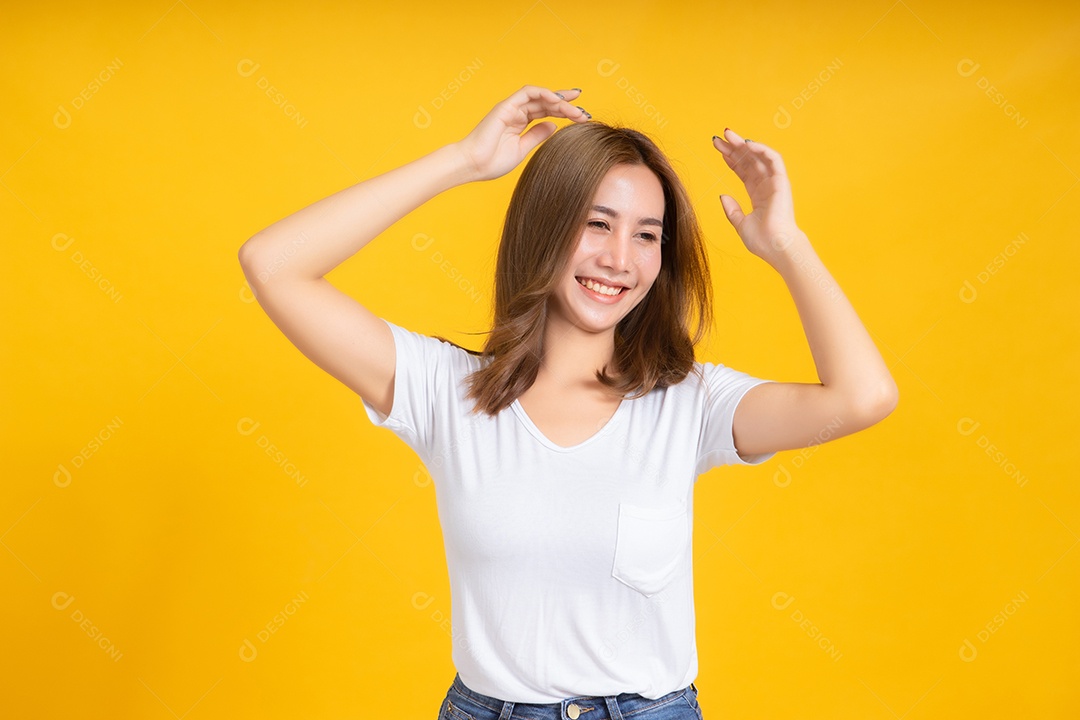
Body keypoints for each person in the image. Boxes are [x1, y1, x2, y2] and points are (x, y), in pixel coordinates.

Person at [238, 84, 898, 720]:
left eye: (647, 235)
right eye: (595, 223)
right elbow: (272, 264)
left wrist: (786, 244)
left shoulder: (690, 404)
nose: (619, 258)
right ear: (545, 228)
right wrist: (464, 160)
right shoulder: (446, 391)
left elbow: (863, 397)